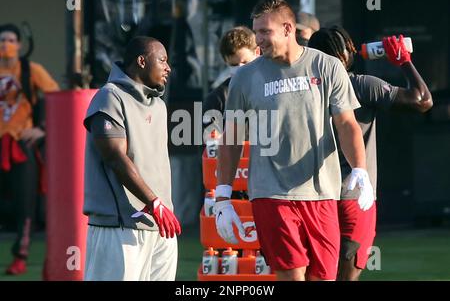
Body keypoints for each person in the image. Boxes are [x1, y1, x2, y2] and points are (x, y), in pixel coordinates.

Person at [213, 0, 373, 281]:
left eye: (265, 32)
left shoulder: (327, 67)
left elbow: (347, 123)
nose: (257, 39)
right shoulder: (244, 77)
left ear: (288, 29)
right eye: (256, 31)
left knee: (323, 277)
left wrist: (360, 169)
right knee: (292, 277)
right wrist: (223, 196)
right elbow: (231, 138)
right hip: (271, 194)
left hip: (322, 193)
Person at [308, 26, 433, 280]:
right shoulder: (361, 85)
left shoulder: (304, 91)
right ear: (344, 54)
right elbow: (422, 100)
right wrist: (404, 62)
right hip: (355, 195)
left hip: (313, 197)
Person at [83, 36, 181, 281]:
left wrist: (162, 209)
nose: (168, 67)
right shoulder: (109, 97)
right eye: (162, 60)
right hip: (119, 227)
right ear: (141, 61)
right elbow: (115, 158)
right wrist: (154, 203)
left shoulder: (159, 105)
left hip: (161, 226)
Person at [0, 23, 59, 275]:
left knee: (25, 203)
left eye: (11, 40)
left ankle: (21, 256)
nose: (6, 45)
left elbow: (59, 99)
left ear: (20, 45)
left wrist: (43, 129)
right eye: (2, 40)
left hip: (20, 144)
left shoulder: (30, 70)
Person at [203, 26, 260, 134]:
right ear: (225, 62)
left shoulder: (273, 88)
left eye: (245, 62)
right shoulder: (217, 100)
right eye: (234, 65)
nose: (240, 69)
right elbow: (211, 147)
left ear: (257, 52)